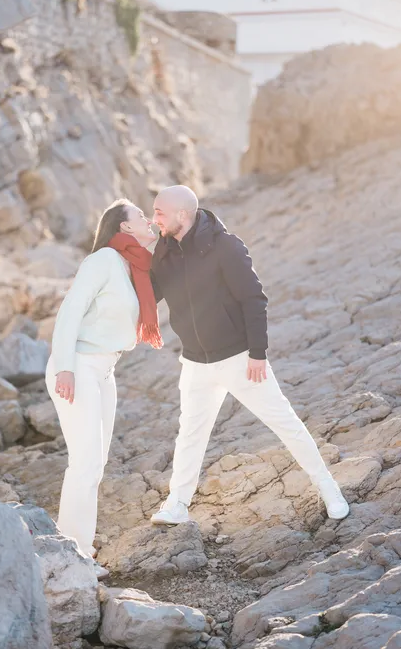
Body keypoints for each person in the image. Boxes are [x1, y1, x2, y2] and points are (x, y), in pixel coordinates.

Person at [149, 185, 349, 526]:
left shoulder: (225, 246)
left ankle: (329, 489)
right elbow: (150, 294)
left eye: (159, 213)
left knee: (286, 424)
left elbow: (254, 298)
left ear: (182, 214)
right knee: (190, 435)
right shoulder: (163, 250)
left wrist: (258, 353)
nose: (155, 219)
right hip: (195, 362)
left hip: (240, 359)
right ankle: (177, 504)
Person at [45, 199, 161, 577]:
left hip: (104, 371)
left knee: (95, 465)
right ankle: (74, 553)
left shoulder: (133, 267)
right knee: (85, 463)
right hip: (78, 365)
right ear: (124, 227)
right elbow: (70, 312)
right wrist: (65, 368)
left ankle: (79, 546)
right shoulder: (103, 261)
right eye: (141, 216)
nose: (148, 219)